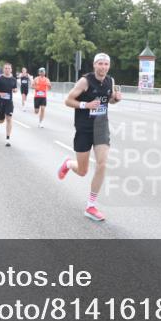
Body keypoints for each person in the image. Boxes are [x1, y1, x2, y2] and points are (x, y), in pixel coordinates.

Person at [57, 53, 122, 221]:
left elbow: (109, 100)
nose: (103, 67)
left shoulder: (110, 81)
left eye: (106, 64)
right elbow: (68, 100)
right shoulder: (85, 81)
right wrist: (86, 105)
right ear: (94, 65)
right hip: (84, 128)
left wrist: (115, 99)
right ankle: (69, 164)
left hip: (101, 127)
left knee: (102, 164)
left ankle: (91, 206)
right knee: (83, 170)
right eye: (100, 63)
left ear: (109, 66)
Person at [0, 62, 17, 146]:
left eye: (9, 68)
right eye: (6, 68)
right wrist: (0, 93)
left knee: (9, 119)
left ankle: (8, 138)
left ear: (11, 69)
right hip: (0, 102)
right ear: (3, 69)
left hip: (9, 102)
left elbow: (15, 88)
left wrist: (15, 90)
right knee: (2, 119)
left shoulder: (13, 79)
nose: (7, 70)